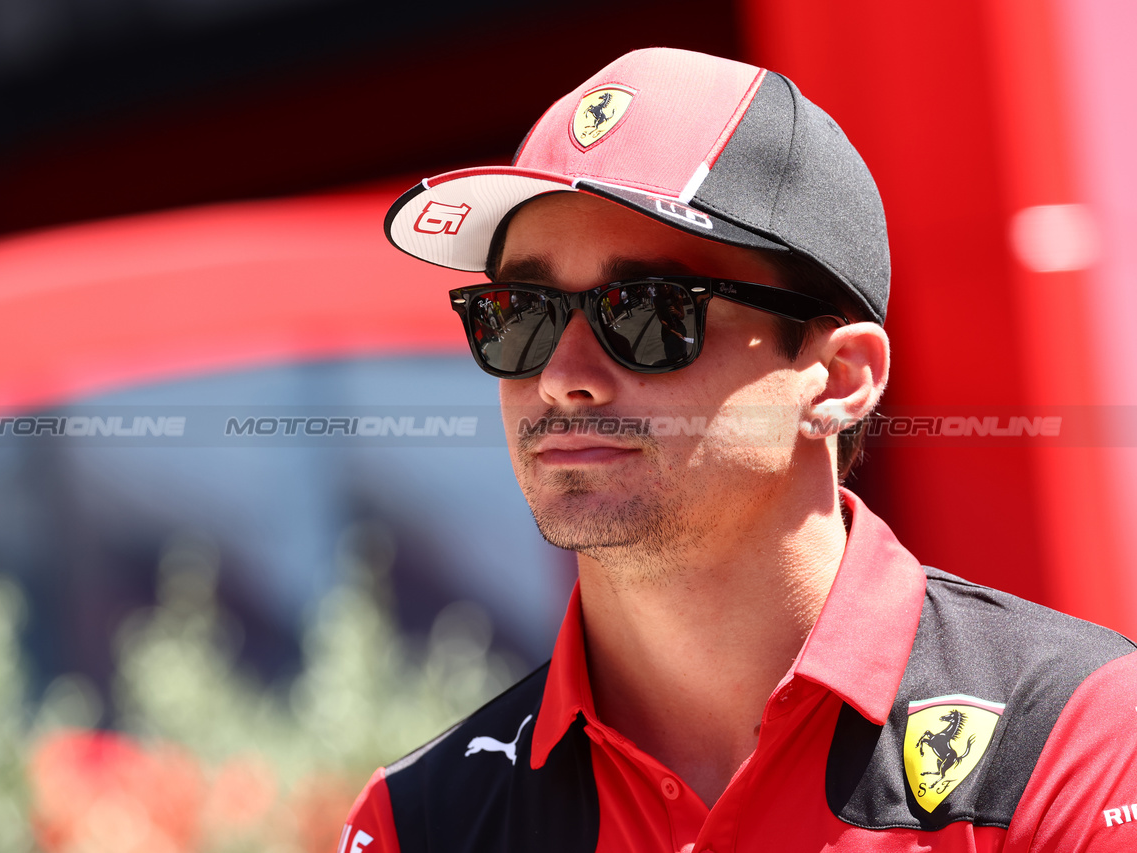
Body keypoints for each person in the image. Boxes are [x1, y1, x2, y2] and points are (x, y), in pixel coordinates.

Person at [339, 48, 1137, 853]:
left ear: (837, 379)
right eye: (519, 314)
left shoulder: (1076, 736)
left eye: (647, 311)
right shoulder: (418, 821)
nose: (562, 377)